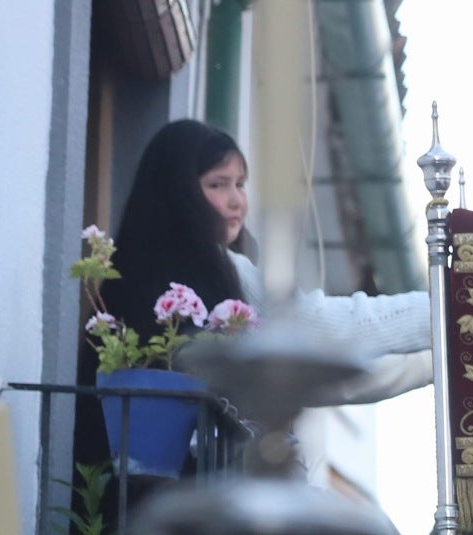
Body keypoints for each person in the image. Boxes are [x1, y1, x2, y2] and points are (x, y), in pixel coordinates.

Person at [110, 118, 432, 405]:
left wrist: (442, 357)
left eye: (240, 184)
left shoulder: (122, 272)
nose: (237, 200)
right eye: (217, 184)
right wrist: (445, 311)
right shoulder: (225, 270)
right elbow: (327, 326)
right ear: (178, 191)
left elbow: (309, 380)